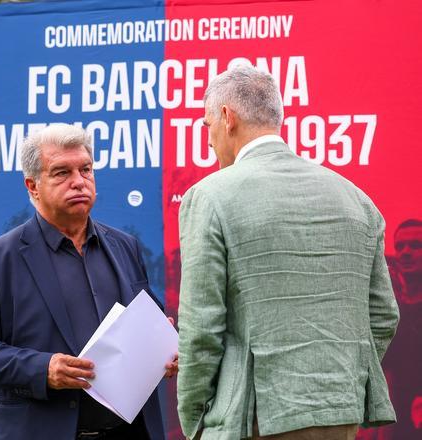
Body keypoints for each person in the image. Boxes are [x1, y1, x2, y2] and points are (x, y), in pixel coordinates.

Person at [176, 65, 399, 440]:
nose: (210, 141)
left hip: (253, 418)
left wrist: (193, 419)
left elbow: (201, 329)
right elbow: (383, 315)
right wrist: (337, 383)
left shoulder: (209, 197)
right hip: (339, 415)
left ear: (227, 118)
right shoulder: (357, 200)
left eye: (207, 125)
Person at [0, 123, 176, 440]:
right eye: (61, 173)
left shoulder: (125, 245)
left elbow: (150, 317)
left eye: (86, 169)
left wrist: (163, 345)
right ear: (33, 186)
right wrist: (42, 369)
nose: (79, 182)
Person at [381, 219, 422, 438]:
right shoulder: (391, 309)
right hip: (393, 423)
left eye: (416, 246)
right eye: (400, 246)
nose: (405, 252)